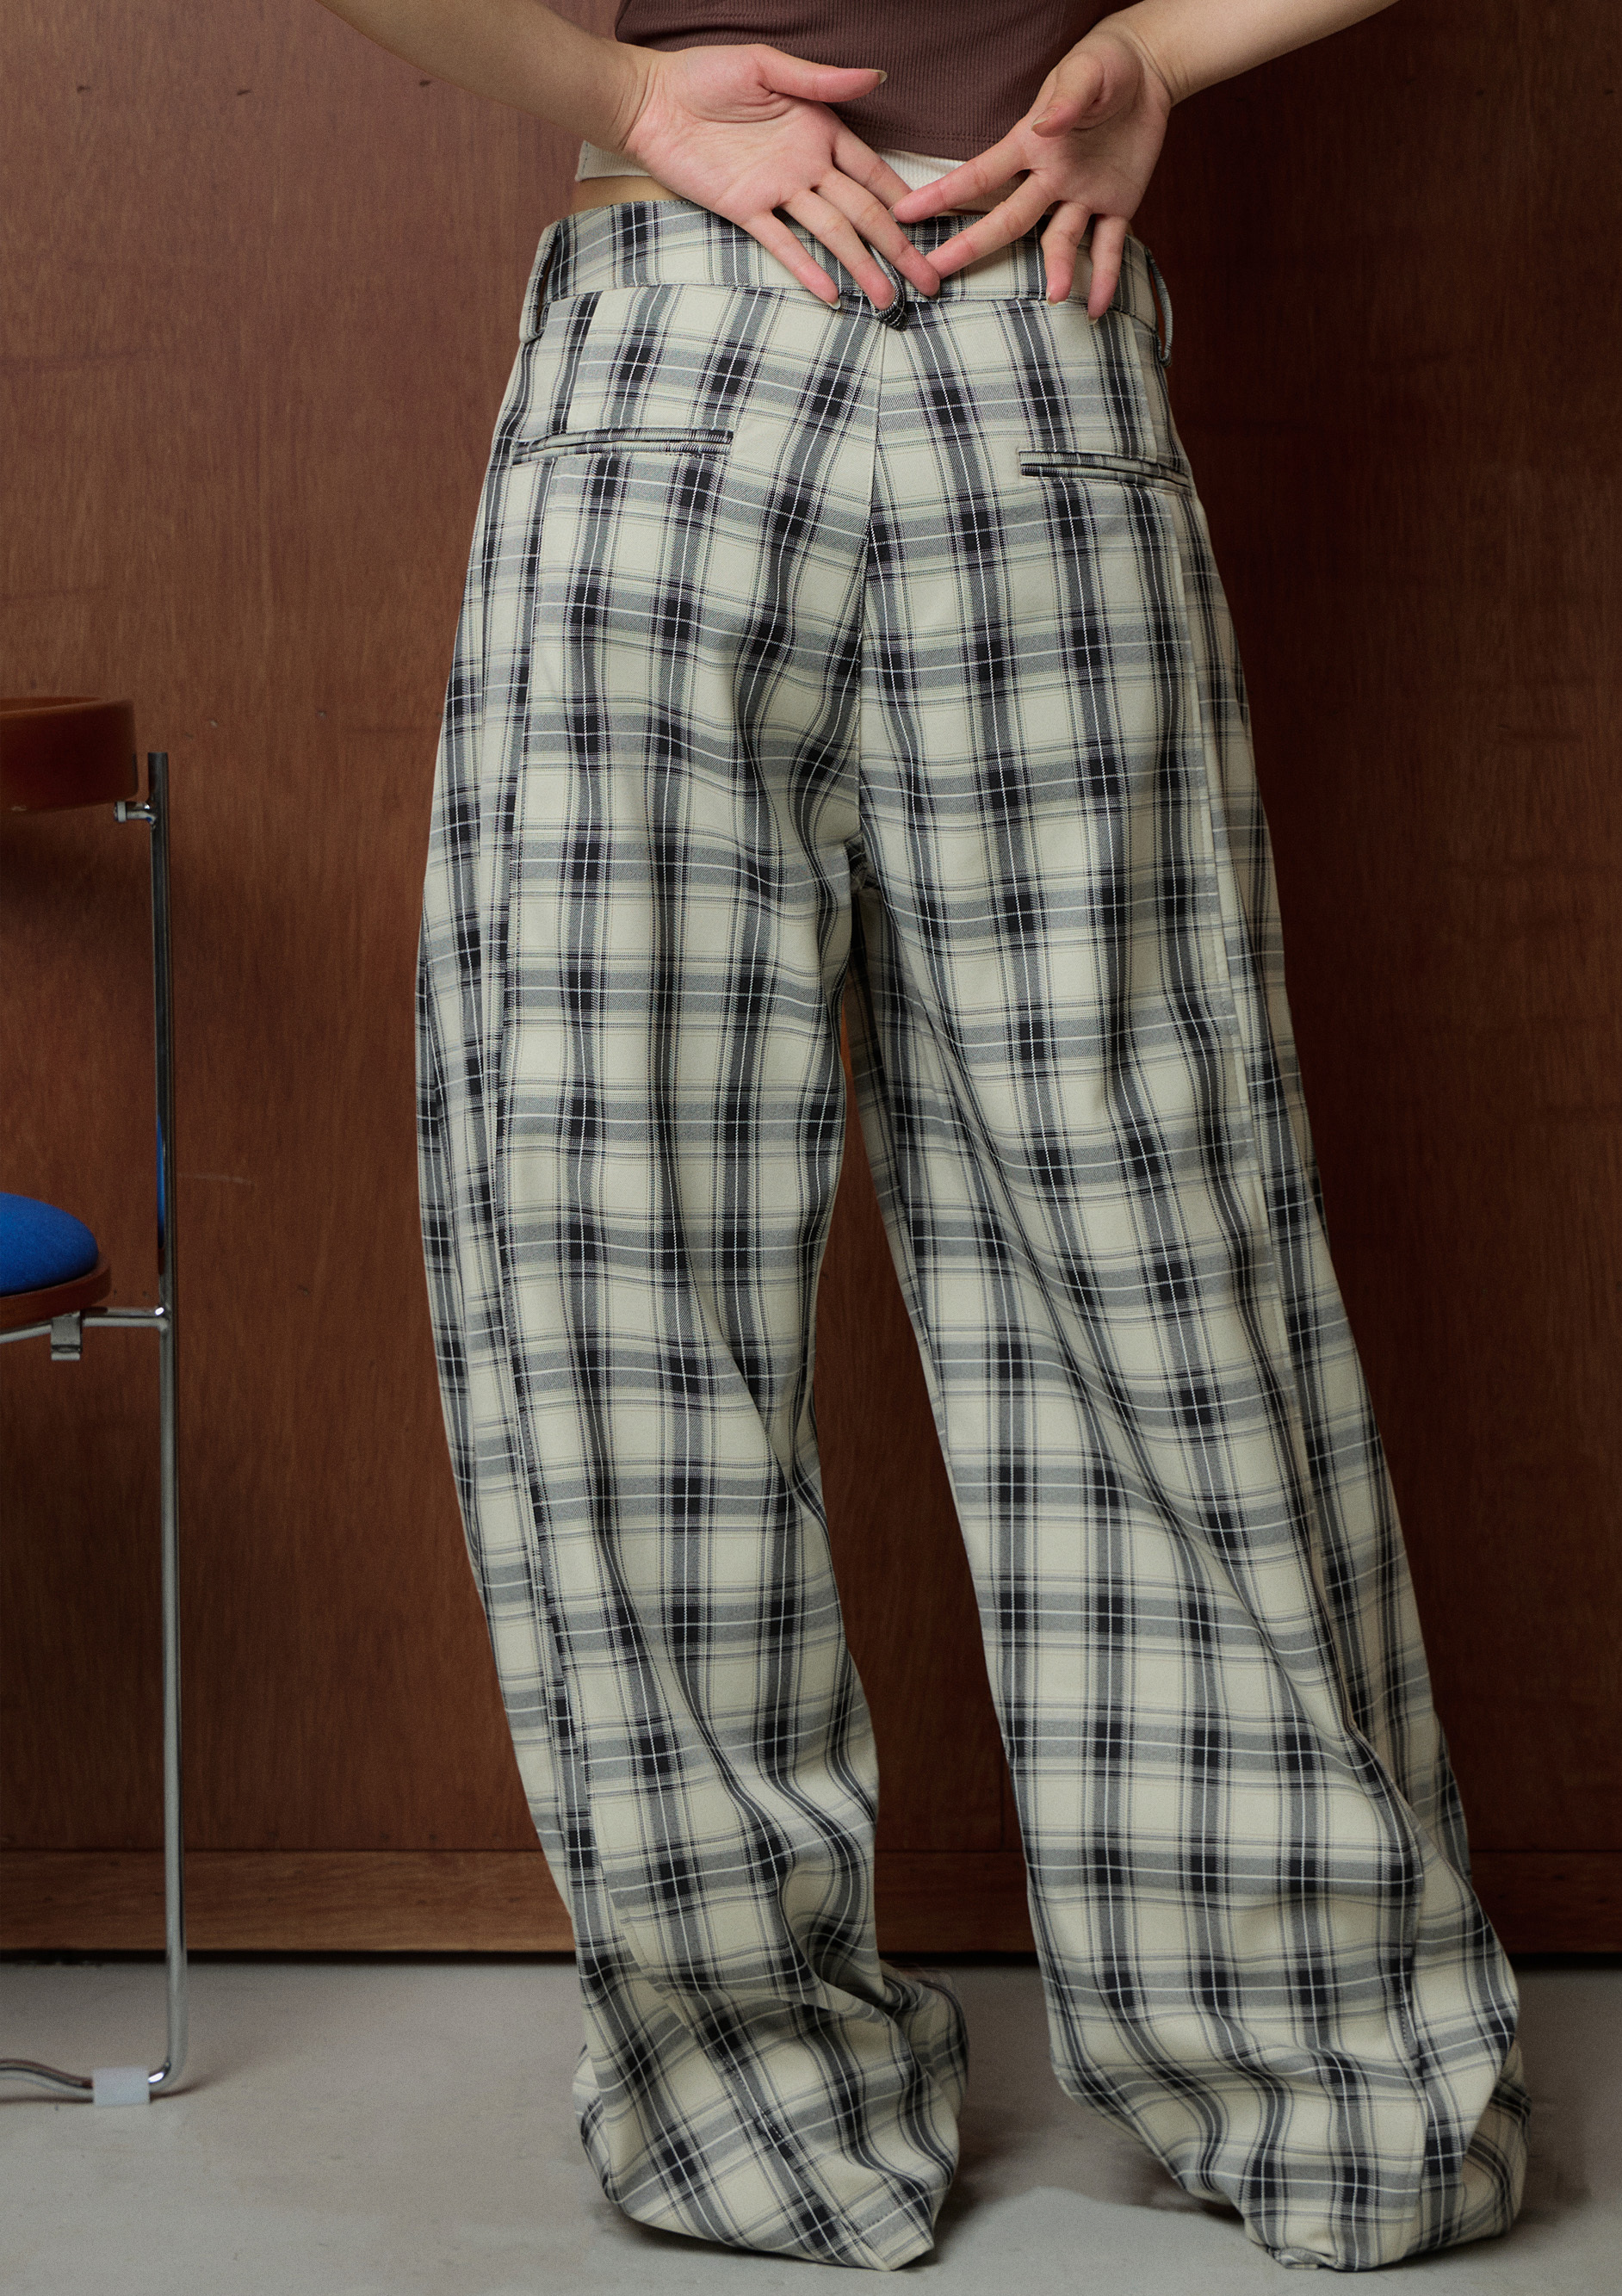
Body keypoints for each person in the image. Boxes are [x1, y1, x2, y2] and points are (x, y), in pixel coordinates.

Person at [316, 1, 1531, 2273]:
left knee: (618, 1287)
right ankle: (1340, 2090)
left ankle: (754, 2105)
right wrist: (1151, 49)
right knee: (1151, 1260)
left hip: (677, 341)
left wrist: (630, 95)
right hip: (1024, 335)